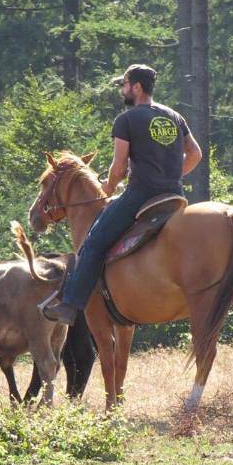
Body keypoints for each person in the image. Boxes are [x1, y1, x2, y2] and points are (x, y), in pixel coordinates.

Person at [40, 64, 202, 326]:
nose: (122, 90)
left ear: (136, 87)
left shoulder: (126, 120)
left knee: (92, 241)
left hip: (141, 197)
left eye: (124, 85)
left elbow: (118, 166)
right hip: (174, 195)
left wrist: (109, 186)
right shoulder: (174, 116)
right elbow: (195, 154)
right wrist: (171, 176)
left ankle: (70, 305)